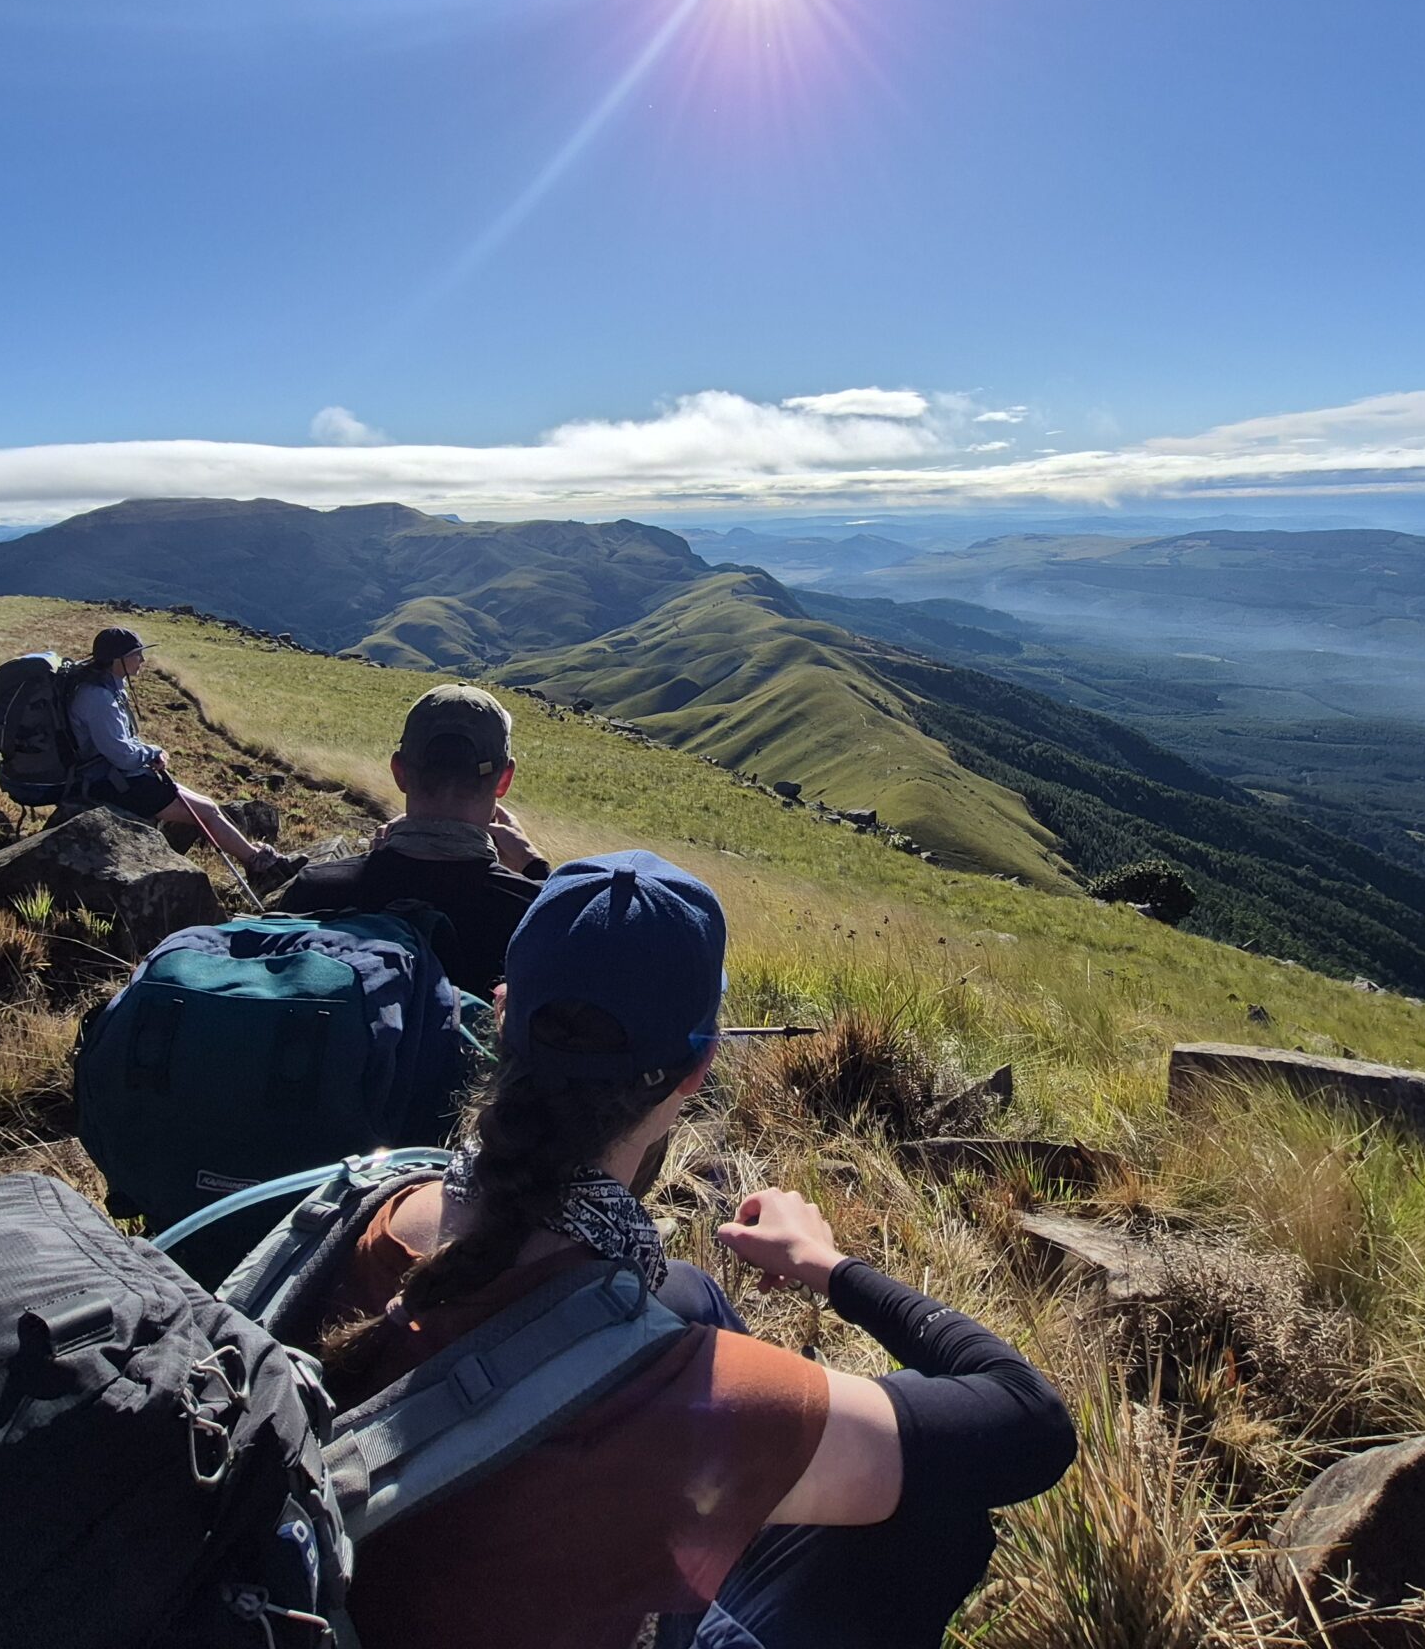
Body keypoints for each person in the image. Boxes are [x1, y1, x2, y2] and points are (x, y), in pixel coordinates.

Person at [318, 850, 1076, 1649]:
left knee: (681, 1290)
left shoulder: (365, 1211)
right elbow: (1027, 1420)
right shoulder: (656, 1390)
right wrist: (826, 1265)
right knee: (937, 1517)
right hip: (646, 1455)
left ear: (500, 1012)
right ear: (698, 1067)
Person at [274, 684, 551, 994]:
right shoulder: (532, 913)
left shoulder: (316, 888)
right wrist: (538, 871)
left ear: (399, 772)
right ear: (504, 780)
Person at [66, 626, 304, 889]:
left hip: (119, 775)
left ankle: (257, 860)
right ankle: (259, 865)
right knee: (205, 812)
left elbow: (119, 745)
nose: (142, 660)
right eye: (136, 654)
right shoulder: (99, 698)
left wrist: (147, 753)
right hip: (111, 783)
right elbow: (121, 754)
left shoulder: (106, 686)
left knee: (208, 808)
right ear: (116, 659)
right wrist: (153, 752)